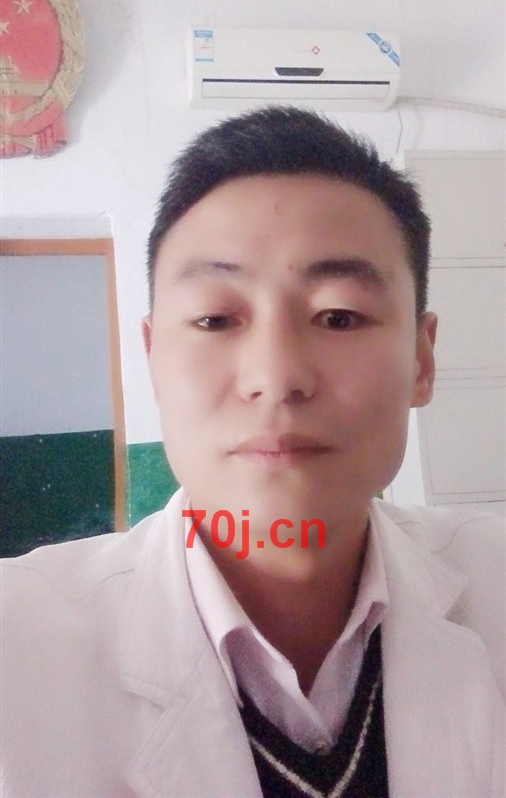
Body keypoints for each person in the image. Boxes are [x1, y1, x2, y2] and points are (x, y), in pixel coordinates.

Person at [1, 106, 504, 797]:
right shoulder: (19, 649)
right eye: (215, 319)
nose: (276, 376)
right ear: (153, 359)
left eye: (338, 316)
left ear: (421, 359)